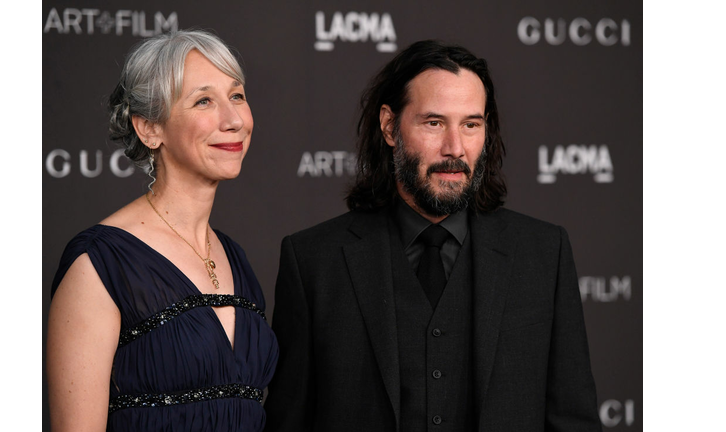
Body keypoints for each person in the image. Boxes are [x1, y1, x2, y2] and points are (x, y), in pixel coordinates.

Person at [264, 40, 601, 432]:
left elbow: (573, 420)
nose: (454, 148)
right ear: (390, 126)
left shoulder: (544, 254)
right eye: (434, 123)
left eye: (471, 125)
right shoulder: (313, 261)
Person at [47, 30, 278, 432]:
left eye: (237, 96)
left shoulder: (234, 257)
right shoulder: (100, 263)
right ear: (149, 129)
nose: (234, 120)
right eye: (204, 100)